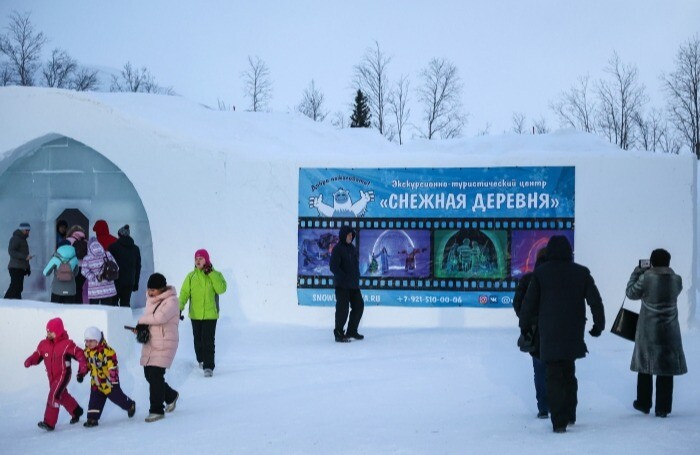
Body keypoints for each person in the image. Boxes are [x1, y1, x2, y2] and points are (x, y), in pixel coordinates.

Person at [520, 235, 605, 433]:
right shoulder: (581, 273)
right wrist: (598, 324)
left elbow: (529, 304)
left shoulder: (541, 274)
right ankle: (570, 414)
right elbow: (595, 300)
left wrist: (524, 326)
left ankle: (559, 421)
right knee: (569, 372)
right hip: (573, 331)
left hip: (549, 332)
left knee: (554, 375)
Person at [626, 248, 687, 418]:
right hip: (670, 331)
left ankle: (644, 403)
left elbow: (630, 293)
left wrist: (637, 271)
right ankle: (663, 408)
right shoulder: (677, 280)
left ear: (651, 262)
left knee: (646, 366)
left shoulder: (646, 278)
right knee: (666, 370)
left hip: (649, 331)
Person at [24, 317, 88, 431]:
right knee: (61, 395)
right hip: (52, 376)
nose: (48, 334)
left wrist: (82, 369)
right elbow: (37, 355)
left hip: (64, 374)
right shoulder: (44, 345)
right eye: (47, 331)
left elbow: (79, 354)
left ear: (58, 331)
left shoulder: (67, 344)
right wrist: (30, 360)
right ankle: (76, 411)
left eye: (51, 332)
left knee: (54, 395)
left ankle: (49, 422)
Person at [136, 273, 180, 422]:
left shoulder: (172, 301)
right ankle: (171, 396)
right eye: (149, 289)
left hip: (165, 342)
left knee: (155, 375)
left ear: (162, 288)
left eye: (153, 289)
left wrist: (141, 321)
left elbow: (160, 318)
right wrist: (140, 328)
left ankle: (156, 410)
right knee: (149, 374)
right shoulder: (151, 301)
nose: (150, 292)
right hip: (152, 342)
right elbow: (151, 321)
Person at [179, 249, 227, 377]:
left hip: (211, 315)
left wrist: (211, 273)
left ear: (207, 259)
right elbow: (184, 293)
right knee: (198, 341)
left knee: (208, 341)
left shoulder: (215, 274)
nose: (198, 261)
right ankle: (201, 359)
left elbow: (221, 289)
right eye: (196, 258)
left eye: (201, 258)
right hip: (195, 315)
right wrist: (179, 307)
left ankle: (208, 366)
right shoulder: (191, 276)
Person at [512, 247, 548, 419]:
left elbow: (517, 304)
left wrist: (527, 320)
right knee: (556, 369)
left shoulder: (528, 279)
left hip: (533, 333)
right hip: (555, 332)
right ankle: (556, 405)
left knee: (539, 369)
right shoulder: (558, 281)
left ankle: (543, 407)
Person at [81, 326, 136, 427]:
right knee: (94, 400)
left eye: (91, 341)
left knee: (119, 399)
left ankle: (130, 405)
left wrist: (113, 380)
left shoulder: (107, 351)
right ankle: (92, 419)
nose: (88, 344)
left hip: (109, 383)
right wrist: (81, 373)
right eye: (87, 341)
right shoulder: (87, 352)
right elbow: (87, 365)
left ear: (97, 341)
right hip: (96, 383)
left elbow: (112, 366)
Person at [329, 225, 364, 342]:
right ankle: (339, 333)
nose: (350, 237)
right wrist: (343, 277)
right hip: (342, 285)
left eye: (351, 235)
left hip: (353, 285)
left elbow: (355, 265)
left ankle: (351, 331)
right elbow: (333, 267)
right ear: (343, 235)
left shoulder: (352, 248)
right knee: (342, 309)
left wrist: (357, 275)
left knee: (359, 306)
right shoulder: (337, 249)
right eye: (349, 235)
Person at [109, 224, 142, 307]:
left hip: (115, 280)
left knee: (113, 303)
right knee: (125, 303)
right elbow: (138, 267)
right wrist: (136, 283)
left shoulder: (113, 247)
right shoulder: (135, 249)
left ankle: (114, 320)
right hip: (129, 280)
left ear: (119, 235)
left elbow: (108, 265)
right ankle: (126, 319)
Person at [81, 237, 118, 305]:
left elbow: (84, 271)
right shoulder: (107, 254)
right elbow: (116, 267)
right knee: (107, 311)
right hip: (108, 289)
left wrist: (94, 278)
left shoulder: (87, 258)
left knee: (95, 312)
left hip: (95, 290)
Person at [4, 222, 33, 299]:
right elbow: (11, 251)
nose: (28, 232)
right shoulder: (16, 238)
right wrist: (24, 257)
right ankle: (5, 303)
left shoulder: (23, 239)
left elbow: (25, 256)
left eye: (29, 230)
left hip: (20, 267)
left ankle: (17, 304)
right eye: (26, 230)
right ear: (21, 230)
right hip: (15, 267)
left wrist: (27, 268)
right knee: (15, 286)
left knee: (19, 287)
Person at [64, 225, 88, 303]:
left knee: (70, 287)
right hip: (82, 268)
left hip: (71, 266)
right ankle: (79, 304)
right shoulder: (86, 242)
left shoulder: (68, 240)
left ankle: (70, 304)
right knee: (79, 288)